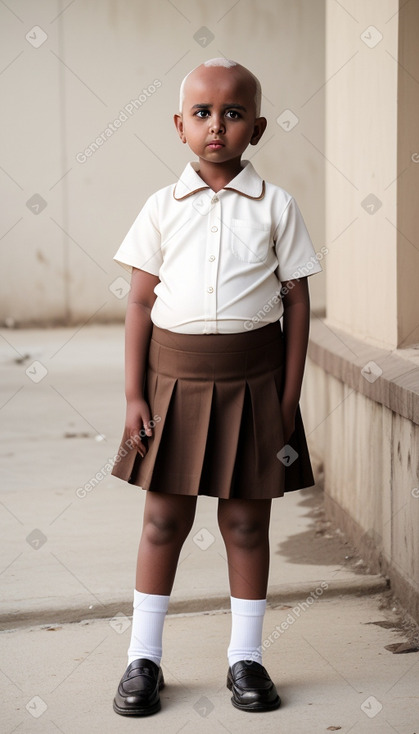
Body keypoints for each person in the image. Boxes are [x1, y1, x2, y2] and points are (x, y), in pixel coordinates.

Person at [111, 58, 322, 716]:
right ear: (179, 125)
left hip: (253, 384)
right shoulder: (159, 207)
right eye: (201, 113)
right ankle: (142, 659)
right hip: (170, 382)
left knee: (244, 523)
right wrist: (135, 395)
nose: (215, 126)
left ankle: (246, 661)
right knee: (162, 520)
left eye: (232, 114)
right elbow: (141, 304)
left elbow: (296, 304)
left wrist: (286, 400)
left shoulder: (276, 206)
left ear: (255, 129)